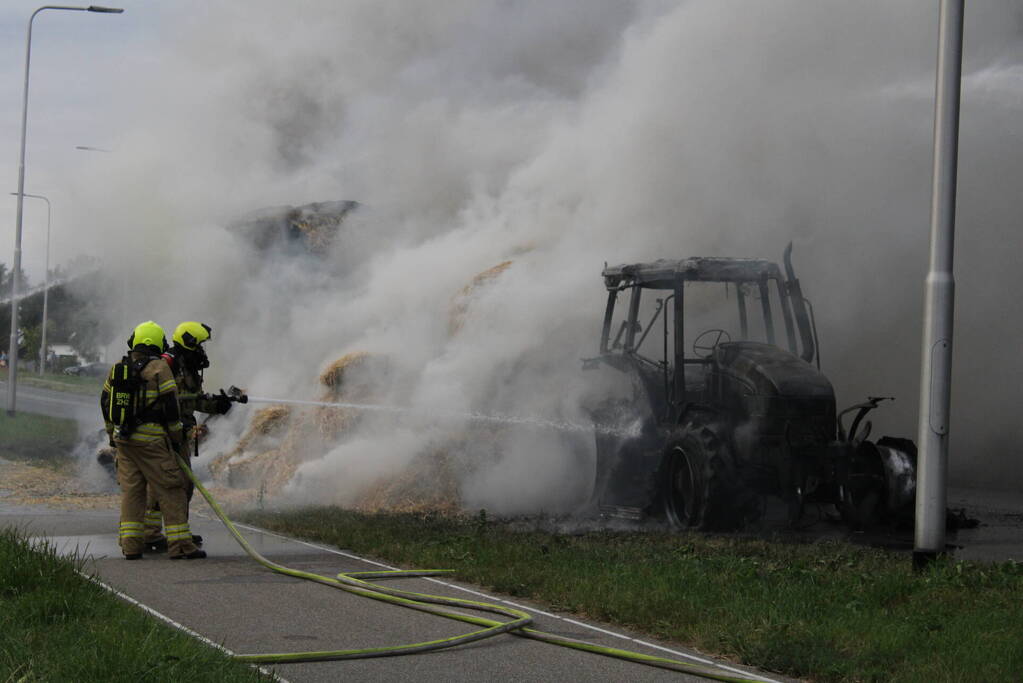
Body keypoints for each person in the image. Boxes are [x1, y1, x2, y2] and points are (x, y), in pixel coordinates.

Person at [101, 321, 205, 560]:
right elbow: (171, 406)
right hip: (152, 443)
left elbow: (105, 402)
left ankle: (131, 547)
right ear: (158, 343)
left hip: (124, 442)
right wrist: (177, 437)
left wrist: (112, 435)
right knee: (172, 488)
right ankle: (181, 546)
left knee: (133, 493)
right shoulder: (159, 368)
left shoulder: (119, 367)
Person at [142, 321, 234, 551]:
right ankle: (155, 535)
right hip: (166, 433)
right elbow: (166, 400)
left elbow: (191, 398)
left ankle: (177, 532)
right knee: (167, 484)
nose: (202, 350)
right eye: (200, 344)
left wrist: (218, 405)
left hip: (180, 432)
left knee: (183, 485)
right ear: (188, 342)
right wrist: (173, 423)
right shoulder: (168, 365)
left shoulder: (187, 365)